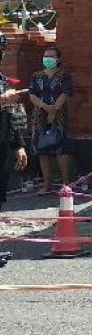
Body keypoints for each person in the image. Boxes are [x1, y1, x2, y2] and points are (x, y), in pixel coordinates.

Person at [28, 46, 73, 194]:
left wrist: (53, 110)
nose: (47, 59)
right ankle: (47, 184)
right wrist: (45, 107)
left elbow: (65, 93)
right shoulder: (36, 76)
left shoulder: (64, 74)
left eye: (51, 56)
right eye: (46, 56)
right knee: (42, 149)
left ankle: (66, 184)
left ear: (58, 59)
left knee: (61, 148)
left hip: (59, 115)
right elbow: (32, 95)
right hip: (39, 115)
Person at [0, 36, 29, 207]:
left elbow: (10, 113)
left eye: (2, 49)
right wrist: (2, 98)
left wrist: (19, 145)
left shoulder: (2, 79)